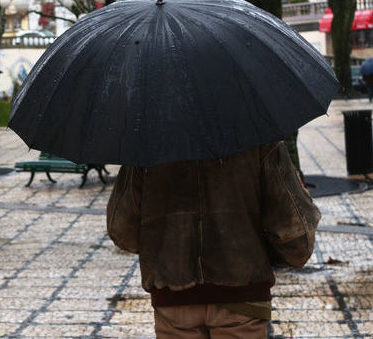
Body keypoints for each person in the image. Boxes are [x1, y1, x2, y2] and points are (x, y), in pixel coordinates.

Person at [107, 141, 320, 339]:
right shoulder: (258, 136)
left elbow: (121, 227)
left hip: (173, 299)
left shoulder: (148, 141)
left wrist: (162, 249)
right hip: (242, 295)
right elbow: (295, 231)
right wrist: (265, 254)